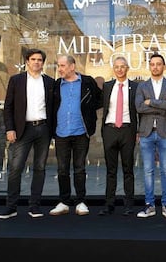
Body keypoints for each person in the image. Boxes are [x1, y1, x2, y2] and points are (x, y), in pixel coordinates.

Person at [0, 48, 54, 219]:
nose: (37, 62)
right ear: (27, 61)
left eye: (40, 60)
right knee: (16, 168)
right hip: (22, 129)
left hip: (43, 128)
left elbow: (53, 107)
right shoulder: (16, 80)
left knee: (40, 168)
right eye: (33, 59)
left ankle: (34, 206)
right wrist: (10, 128)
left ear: (43, 63)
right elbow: (8, 107)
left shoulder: (50, 82)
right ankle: (11, 207)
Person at [49, 55, 102, 216]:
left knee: (79, 169)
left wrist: (89, 117)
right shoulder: (57, 84)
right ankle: (64, 202)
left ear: (72, 66)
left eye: (63, 65)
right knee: (62, 169)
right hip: (61, 133)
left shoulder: (87, 82)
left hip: (81, 132)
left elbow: (99, 100)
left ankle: (80, 202)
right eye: (59, 65)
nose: (60, 69)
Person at [135, 53, 166, 219]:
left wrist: (151, 102)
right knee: (148, 171)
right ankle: (150, 205)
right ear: (149, 66)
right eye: (152, 64)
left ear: (164, 66)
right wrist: (163, 106)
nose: (155, 67)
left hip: (165, 133)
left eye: (158, 64)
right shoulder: (142, 86)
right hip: (146, 133)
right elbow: (139, 107)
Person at [98, 56, 138, 216]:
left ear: (127, 68)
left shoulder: (135, 87)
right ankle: (109, 204)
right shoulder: (107, 86)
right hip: (110, 130)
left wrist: (138, 131)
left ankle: (129, 205)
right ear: (113, 69)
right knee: (110, 170)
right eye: (117, 66)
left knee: (128, 169)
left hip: (127, 130)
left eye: (122, 66)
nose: (120, 69)